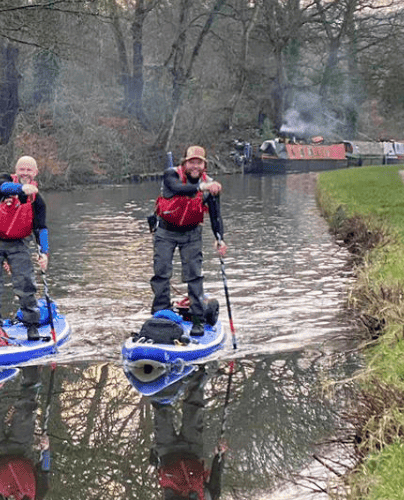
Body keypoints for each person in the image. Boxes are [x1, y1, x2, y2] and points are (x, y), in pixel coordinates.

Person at [151, 145, 226, 335]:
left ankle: (197, 319)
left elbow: (216, 216)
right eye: (191, 162)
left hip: (191, 234)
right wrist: (203, 186)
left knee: (194, 275)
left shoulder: (210, 186)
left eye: (199, 163)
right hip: (165, 231)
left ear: (204, 166)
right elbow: (179, 189)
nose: (195, 166)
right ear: (185, 164)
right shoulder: (171, 176)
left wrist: (220, 239)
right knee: (162, 271)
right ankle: (161, 313)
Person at [0, 156, 50, 340]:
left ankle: (32, 325)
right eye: (22, 170)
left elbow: (41, 228)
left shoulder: (37, 201)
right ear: (16, 171)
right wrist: (20, 189)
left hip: (18, 242)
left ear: (35, 173)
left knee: (25, 284)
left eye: (29, 170)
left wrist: (44, 253)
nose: (25, 173)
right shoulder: (4, 181)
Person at [148, 364, 225, 500]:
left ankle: (162, 375)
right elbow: (215, 480)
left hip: (167, 453)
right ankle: (200, 374)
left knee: (162, 411)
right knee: (193, 410)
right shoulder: (209, 497)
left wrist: (154, 459)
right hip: (192, 450)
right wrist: (220, 455)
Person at [0, 366, 51, 500]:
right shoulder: (37, 495)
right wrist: (46, 450)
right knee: (25, 413)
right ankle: (31, 375)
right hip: (21, 451)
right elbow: (44, 471)